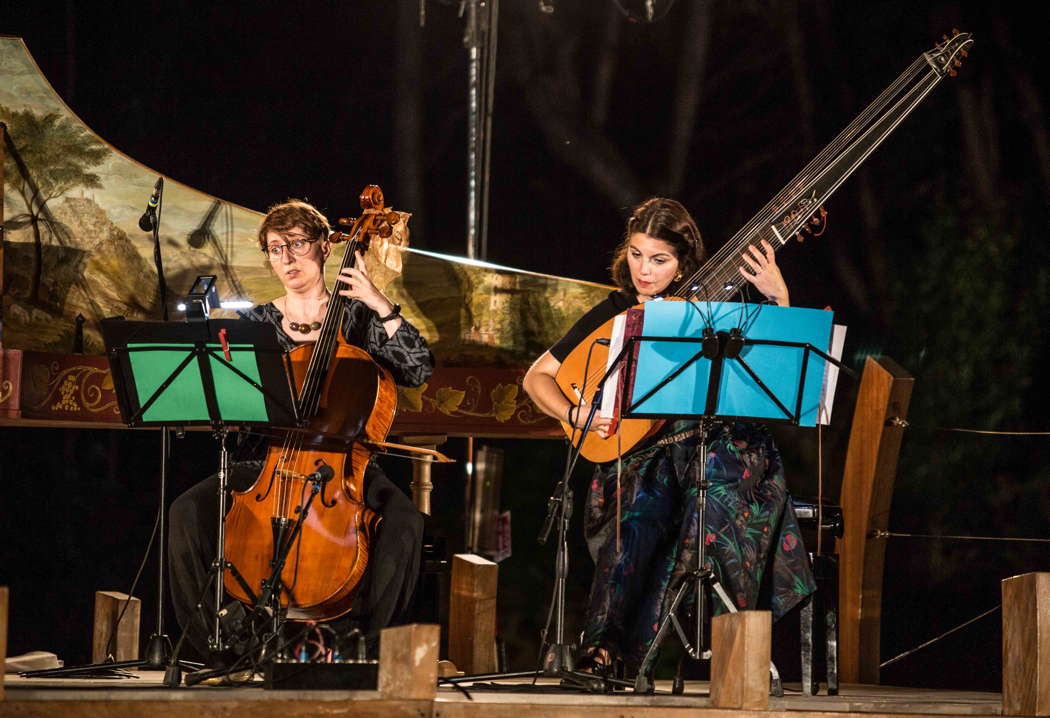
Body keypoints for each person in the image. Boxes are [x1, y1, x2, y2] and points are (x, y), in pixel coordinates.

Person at [523, 197, 815, 676]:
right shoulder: (617, 308)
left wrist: (778, 296)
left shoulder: (717, 308)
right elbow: (538, 377)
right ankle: (602, 648)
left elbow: (782, 371)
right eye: (636, 254)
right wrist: (573, 414)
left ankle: (732, 654)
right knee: (637, 513)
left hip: (713, 457)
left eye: (659, 260)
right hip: (645, 458)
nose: (644, 270)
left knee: (711, 505)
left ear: (682, 264)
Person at [168, 199, 433, 662]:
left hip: (343, 467)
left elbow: (417, 369)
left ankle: (370, 651)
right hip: (265, 463)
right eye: (275, 249)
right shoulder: (254, 324)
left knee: (406, 524)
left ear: (327, 248)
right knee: (186, 512)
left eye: (298, 244)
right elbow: (231, 407)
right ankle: (216, 648)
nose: (287, 258)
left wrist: (378, 301)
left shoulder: (359, 318)